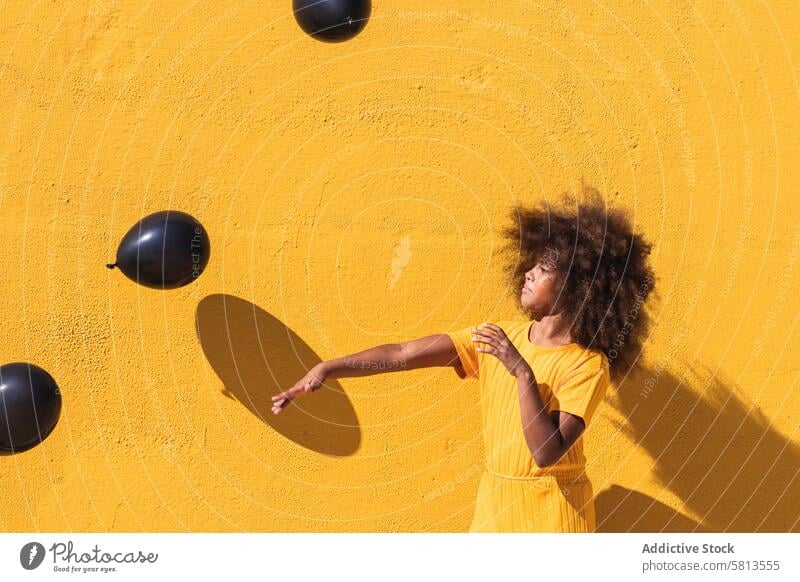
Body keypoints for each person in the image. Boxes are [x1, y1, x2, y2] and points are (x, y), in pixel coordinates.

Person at [271, 187, 656, 532]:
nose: (527, 274)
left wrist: (521, 372)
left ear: (578, 286)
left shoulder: (586, 366)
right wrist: (329, 368)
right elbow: (404, 354)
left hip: (552, 515)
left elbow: (546, 452)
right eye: (531, 264)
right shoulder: (499, 338)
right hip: (496, 507)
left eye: (543, 269)